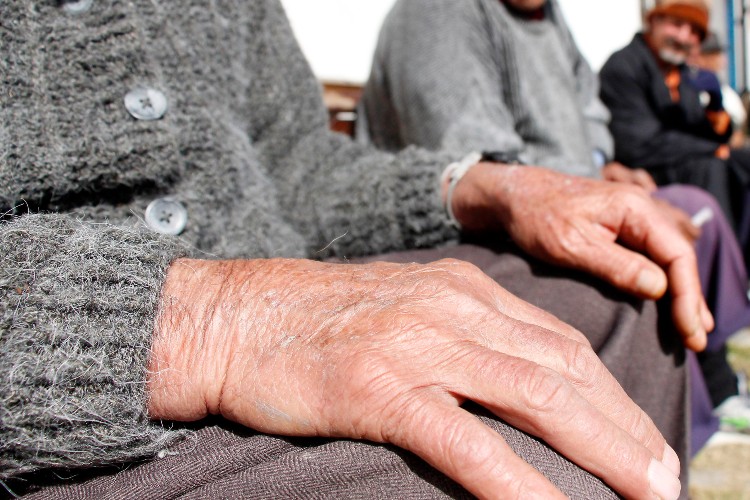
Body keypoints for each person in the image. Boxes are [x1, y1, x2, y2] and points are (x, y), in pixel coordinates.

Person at [0, 1, 707, 498]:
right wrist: (214, 323)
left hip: (279, 283)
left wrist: (478, 187)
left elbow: (297, 165)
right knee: (506, 474)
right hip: (79, 395)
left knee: (626, 290)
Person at [356, 0, 750, 452]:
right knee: (638, 274)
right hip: (472, 226)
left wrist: (601, 169)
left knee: (696, 209)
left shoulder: (550, 19)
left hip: (569, 186)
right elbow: (481, 166)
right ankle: (679, 431)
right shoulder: (438, 13)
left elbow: (590, 113)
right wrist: (584, 194)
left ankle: (711, 383)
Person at [600, 0, 750, 261]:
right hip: (648, 169)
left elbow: (706, 133)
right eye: (677, 24)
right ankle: (725, 262)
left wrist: (715, 107)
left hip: (685, 160)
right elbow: (638, 144)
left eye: (694, 32)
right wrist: (713, 149)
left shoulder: (682, 75)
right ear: (654, 21)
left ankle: (743, 258)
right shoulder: (624, 66)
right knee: (712, 166)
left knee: (745, 161)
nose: (684, 37)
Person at [688, 32, 747, 148]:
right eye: (717, 55)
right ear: (701, 57)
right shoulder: (695, 90)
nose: (723, 61)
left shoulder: (722, 88)